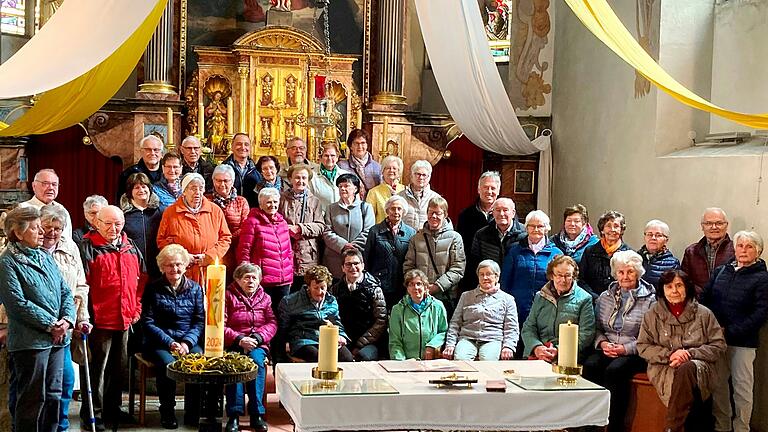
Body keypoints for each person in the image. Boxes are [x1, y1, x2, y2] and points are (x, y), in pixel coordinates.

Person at [0, 207, 75, 432]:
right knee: (32, 399)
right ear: (19, 233)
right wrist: (51, 324)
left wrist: (67, 319)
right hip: (30, 342)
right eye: (35, 228)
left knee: (54, 395)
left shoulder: (43, 255)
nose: (41, 232)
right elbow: (17, 303)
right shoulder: (7, 262)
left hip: (58, 340)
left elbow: (65, 292)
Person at [78, 205, 145, 431]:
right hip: (99, 320)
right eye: (108, 223)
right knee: (96, 370)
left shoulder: (131, 247)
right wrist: (85, 316)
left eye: (118, 223)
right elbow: (81, 285)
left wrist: (136, 309)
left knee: (119, 368)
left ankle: (112, 409)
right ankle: (92, 415)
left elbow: (141, 281)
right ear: (97, 223)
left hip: (125, 318)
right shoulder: (88, 247)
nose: (113, 228)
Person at [638, 269, 726, 432]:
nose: (674, 291)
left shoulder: (704, 313)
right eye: (669, 286)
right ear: (662, 290)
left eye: (679, 285)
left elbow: (718, 345)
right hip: (664, 366)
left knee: (688, 369)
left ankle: (672, 426)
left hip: (699, 366)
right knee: (691, 393)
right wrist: (670, 354)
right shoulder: (651, 315)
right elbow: (643, 346)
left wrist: (690, 354)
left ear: (687, 287)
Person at [702, 231, 768, 432]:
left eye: (749, 246)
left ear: (758, 251)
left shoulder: (762, 278)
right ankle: (722, 427)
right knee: (719, 387)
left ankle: (741, 428)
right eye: (740, 246)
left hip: (743, 342)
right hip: (716, 341)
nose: (744, 250)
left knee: (742, 389)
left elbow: (761, 313)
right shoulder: (722, 271)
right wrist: (712, 330)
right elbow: (705, 300)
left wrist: (729, 331)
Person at [583, 250, 655, 432]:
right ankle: (589, 424)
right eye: (621, 272)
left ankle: (614, 425)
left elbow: (649, 336)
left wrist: (625, 349)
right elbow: (597, 327)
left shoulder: (650, 300)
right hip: (607, 347)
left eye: (630, 271)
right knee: (591, 365)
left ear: (638, 272)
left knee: (615, 371)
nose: (625, 276)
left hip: (635, 351)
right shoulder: (604, 297)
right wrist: (603, 343)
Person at [40, 205, 92, 432]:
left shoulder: (70, 247)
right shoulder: (31, 249)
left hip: (66, 325)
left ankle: (60, 425)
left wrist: (82, 318)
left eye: (58, 228)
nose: (52, 232)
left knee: (66, 382)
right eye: (47, 227)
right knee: (39, 387)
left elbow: (81, 286)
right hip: (39, 327)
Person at [141, 244, 205, 429]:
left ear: (185, 266)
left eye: (178, 264)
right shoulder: (153, 288)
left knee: (197, 362)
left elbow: (199, 321)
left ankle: (193, 411)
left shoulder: (195, 289)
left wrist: (186, 343)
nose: (174, 269)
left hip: (187, 340)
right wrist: (170, 342)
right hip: (159, 342)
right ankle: (167, 411)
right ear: (162, 267)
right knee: (168, 365)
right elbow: (148, 322)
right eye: (169, 265)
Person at [223, 263, 276, 432]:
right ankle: (234, 415)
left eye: (254, 278)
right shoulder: (227, 296)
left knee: (256, 363)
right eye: (246, 277)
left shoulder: (265, 298)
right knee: (235, 367)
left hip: (257, 343)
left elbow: (272, 322)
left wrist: (258, 337)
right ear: (238, 280)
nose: (251, 281)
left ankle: (256, 414)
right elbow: (219, 325)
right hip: (234, 343)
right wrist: (239, 339)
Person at [157, 173, 232, 287]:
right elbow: (161, 240)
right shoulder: (170, 212)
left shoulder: (215, 210)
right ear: (184, 191)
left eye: (200, 189)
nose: (197, 192)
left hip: (209, 269)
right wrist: (183, 256)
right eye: (193, 188)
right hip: (182, 271)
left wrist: (210, 256)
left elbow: (225, 238)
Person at [521, 255, 595, 362]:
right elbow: (529, 327)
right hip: (540, 353)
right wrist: (536, 347)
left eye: (567, 275)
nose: (563, 280)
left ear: (574, 276)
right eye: (559, 275)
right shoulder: (540, 296)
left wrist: (559, 350)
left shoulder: (584, 299)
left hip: (569, 356)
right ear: (552, 276)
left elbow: (586, 334)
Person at [443, 260, 518, 361]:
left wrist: (508, 346)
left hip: (492, 339)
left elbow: (512, 327)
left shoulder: (507, 299)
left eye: (488, 274)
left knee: (488, 361)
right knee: (460, 359)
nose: (485, 277)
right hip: (467, 338)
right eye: (481, 274)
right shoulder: (466, 296)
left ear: (497, 277)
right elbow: (455, 323)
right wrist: (450, 344)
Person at [403, 196, 465, 319]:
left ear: (445, 215)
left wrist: (436, 287)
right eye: (431, 212)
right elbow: (408, 266)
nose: (434, 216)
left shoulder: (455, 238)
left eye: (438, 213)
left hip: (445, 296)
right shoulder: (416, 238)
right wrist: (419, 286)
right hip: (419, 296)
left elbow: (458, 268)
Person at [278, 265, 354, 362]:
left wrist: (341, 335)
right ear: (308, 286)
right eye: (316, 288)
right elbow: (283, 329)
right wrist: (283, 349)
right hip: (303, 340)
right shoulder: (290, 301)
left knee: (347, 358)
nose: (319, 292)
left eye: (323, 288)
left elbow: (336, 322)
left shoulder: (331, 301)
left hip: (327, 338)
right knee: (319, 358)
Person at [502, 210, 563, 328]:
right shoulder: (514, 250)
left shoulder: (556, 253)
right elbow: (505, 280)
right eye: (532, 226)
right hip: (518, 307)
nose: (535, 229)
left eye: (540, 226)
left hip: (546, 307)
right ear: (526, 227)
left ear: (546, 228)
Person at [237, 187, 294, 315]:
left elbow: (289, 252)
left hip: (283, 280)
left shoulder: (283, 223)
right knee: (263, 314)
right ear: (261, 204)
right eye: (268, 202)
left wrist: (290, 274)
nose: (272, 205)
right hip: (263, 280)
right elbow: (244, 251)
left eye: (275, 202)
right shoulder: (252, 222)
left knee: (282, 314)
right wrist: (247, 275)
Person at [330, 249, 387, 361]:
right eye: (348, 264)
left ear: (363, 265)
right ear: (342, 268)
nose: (353, 267)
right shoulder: (335, 289)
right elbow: (332, 317)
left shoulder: (374, 288)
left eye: (356, 263)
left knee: (363, 357)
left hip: (369, 342)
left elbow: (381, 320)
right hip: (344, 339)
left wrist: (360, 344)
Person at [364, 195, 416, 309]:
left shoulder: (411, 233)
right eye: (393, 208)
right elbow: (367, 258)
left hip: (401, 284)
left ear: (404, 212)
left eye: (399, 209)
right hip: (379, 283)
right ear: (387, 210)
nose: (396, 212)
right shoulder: (375, 231)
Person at [278, 163, 324, 292]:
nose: (300, 181)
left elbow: (320, 226)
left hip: (308, 253)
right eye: (297, 177)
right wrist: (286, 228)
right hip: (285, 250)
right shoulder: (281, 199)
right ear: (290, 179)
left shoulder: (315, 201)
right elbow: (274, 222)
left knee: (306, 290)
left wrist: (300, 228)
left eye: (304, 178)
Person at [465, 197, 525, 292]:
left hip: (516, 288)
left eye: (505, 210)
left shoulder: (524, 234)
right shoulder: (481, 235)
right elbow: (474, 264)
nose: (501, 214)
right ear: (492, 213)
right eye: (497, 210)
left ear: (513, 213)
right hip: (488, 288)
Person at [322, 173, 375, 279]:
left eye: (346, 186)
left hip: (357, 257)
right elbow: (327, 231)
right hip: (334, 259)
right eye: (340, 186)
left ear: (355, 188)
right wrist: (343, 245)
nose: (342, 189)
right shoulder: (331, 208)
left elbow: (369, 230)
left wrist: (353, 247)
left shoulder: (366, 207)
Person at [389, 269, 449, 360]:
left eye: (419, 284)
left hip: (431, 359)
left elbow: (443, 331)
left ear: (425, 287)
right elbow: (395, 341)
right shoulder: (397, 310)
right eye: (411, 284)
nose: (415, 287)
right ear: (407, 288)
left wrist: (432, 346)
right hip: (406, 361)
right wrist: (401, 362)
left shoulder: (438, 306)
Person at [207, 164, 250, 276]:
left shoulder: (241, 202)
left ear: (232, 181)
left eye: (226, 181)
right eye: (218, 180)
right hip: (212, 251)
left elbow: (245, 227)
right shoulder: (206, 200)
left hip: (235, 251)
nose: (222, 184)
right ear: (213, 181)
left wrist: (226, 240)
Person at [579, 210, 632, 298]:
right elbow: (581, 280)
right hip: (593, 301)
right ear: (602, 230)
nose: (612, 230)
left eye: (616, 226)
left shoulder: (629, 254)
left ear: (621, 230)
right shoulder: (590, 252)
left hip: (620, 302)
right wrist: (595, 297)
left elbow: (632, 281)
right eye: (608, 226)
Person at [682, 207, 734, 295]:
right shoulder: (691, 252)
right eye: (708, 223)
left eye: (719, 223)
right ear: (702, 226)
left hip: (727, 304)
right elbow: (684, 281)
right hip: (698, 304)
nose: (714, 227)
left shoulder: (736, 250)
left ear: (727, 225)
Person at [121, 172, 163, 279]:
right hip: (133, 268)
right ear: (130, 192)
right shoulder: (122, 214)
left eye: (144, 186)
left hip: (158, 268)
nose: (141, 190)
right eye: (136, 187)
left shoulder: (161, 211)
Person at [457, 171, 501, 262]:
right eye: (485, 187)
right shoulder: (465, 215)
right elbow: (461, 247)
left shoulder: (506, 215)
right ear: (478, 189)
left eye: (493, 188)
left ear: (498, 191)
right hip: (473, 269)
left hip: (499, 270)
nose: (489, 192)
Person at [20, 168, 73, 241]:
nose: (51, 188)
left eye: (54, 184)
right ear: (34, 186)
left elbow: (67, 239)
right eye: (45, 184)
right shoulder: (22, 209)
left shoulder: (62, 209)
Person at [117, 134, 164, 200]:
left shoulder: (168, 172)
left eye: (156, 150)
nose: (152, 153)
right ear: (141, 152)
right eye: (148, 150)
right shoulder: (129, 173)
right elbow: (122, 200)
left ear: (162, 154)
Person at [337, 129, 382, 198]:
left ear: (367, 145)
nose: (360, 147)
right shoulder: (342, 166)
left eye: (363, 143)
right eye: (356, 143)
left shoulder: (377, 167)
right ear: (351, 146)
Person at [398, 160, 440, 230]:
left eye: (424, 175)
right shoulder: (400, 197)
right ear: (411, 176)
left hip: (427, 239)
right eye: (417, 174)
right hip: (405, 239)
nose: (421, 177)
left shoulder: (436, 198)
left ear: (429, 177)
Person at [309, 142, 351, 211]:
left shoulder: (347, 176)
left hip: (342, 217)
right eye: (326, 155)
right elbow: (309, 202)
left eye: (332, 155)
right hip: (321, 218)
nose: (329, 158)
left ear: (337, 157)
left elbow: (355, 200)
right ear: (320, 157)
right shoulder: (312, 177)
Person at [638, 219, 680, 287]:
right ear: (644, 237)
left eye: (658, 235)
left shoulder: (672, 263)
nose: (653, 238)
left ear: (666, 240)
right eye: (649, 234)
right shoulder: (635, 258)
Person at [365, 155, 406, 223]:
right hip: (381, 232)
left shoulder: (405, 190)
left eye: (394, 168)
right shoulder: (373, 192)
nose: (391, 170)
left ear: (399, 171)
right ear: (382, 171)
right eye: (388, 168)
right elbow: (369, 218)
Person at [223, 133, 261, 198]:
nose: (243, 147)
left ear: (250, 147)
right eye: (239, 144)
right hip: (230, 207)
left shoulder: (257, 170)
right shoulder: (223, 169)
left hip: (252, 207)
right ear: (232, 146)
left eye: (246, 144)